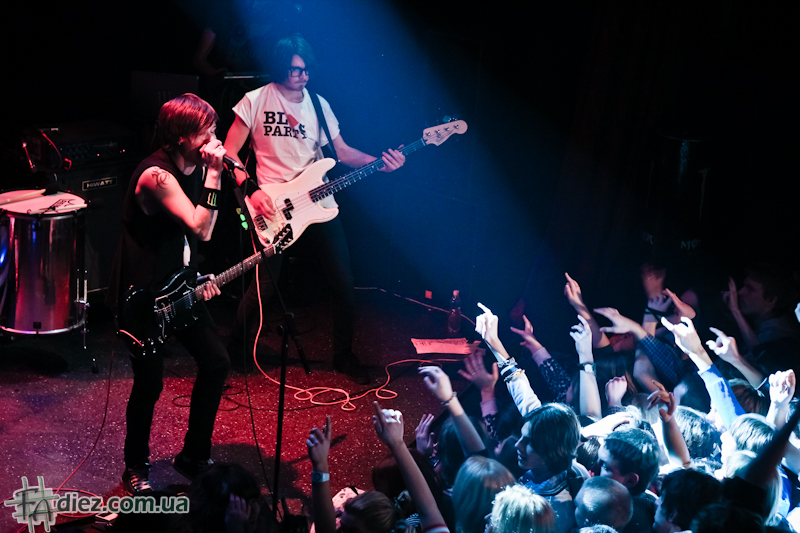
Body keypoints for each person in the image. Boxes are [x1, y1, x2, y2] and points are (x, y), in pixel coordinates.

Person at [223, 35, 405, 383]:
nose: (302, 76)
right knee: (264, 286)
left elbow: (343, 152)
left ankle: (343, 355)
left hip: (319, 202)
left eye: (306, 70)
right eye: (294, 70)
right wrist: (251, 191)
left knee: (343, 281)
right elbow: (229, 153)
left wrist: (380, 164)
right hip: (272, 204)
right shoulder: (255, 100)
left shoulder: (319, 105)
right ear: (280, 68)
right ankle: (235, 348)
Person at [108, 93, 230, 494]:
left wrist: (196, 276)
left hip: (178, 287)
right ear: (181, 136)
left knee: (216, 362)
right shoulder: (155, 176)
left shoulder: (195, 167)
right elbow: (201, 227)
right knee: (150, 384)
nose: (213, 140)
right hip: (143, 297)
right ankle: (135, 467)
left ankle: (194, 455)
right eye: (205, 132)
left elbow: (186, 240)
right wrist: (214, 176)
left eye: (214, 129)